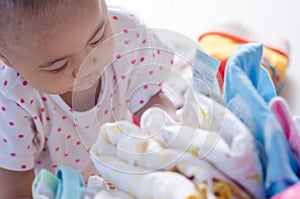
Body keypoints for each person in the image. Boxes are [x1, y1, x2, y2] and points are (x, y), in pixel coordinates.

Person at [0, 0, 177, 198]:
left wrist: (167, 132)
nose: (87, 66)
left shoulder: (127, 34)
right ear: (7, 60)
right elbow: (14, 188)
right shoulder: (11, 99)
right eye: (58, 67)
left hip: (122, 174)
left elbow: (151, 97)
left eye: (97, 40)